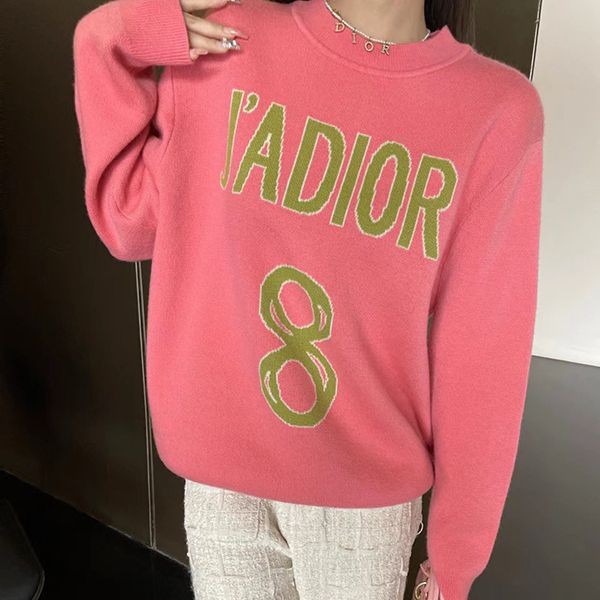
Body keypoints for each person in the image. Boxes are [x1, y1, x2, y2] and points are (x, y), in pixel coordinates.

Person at [71, 0, 545, 598]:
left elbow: (482, 352)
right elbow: (129, 221)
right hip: (219, 484)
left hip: (363, 503)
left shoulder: (496, 111)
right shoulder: (234, 38)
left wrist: (456, 556)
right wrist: (112, 36)